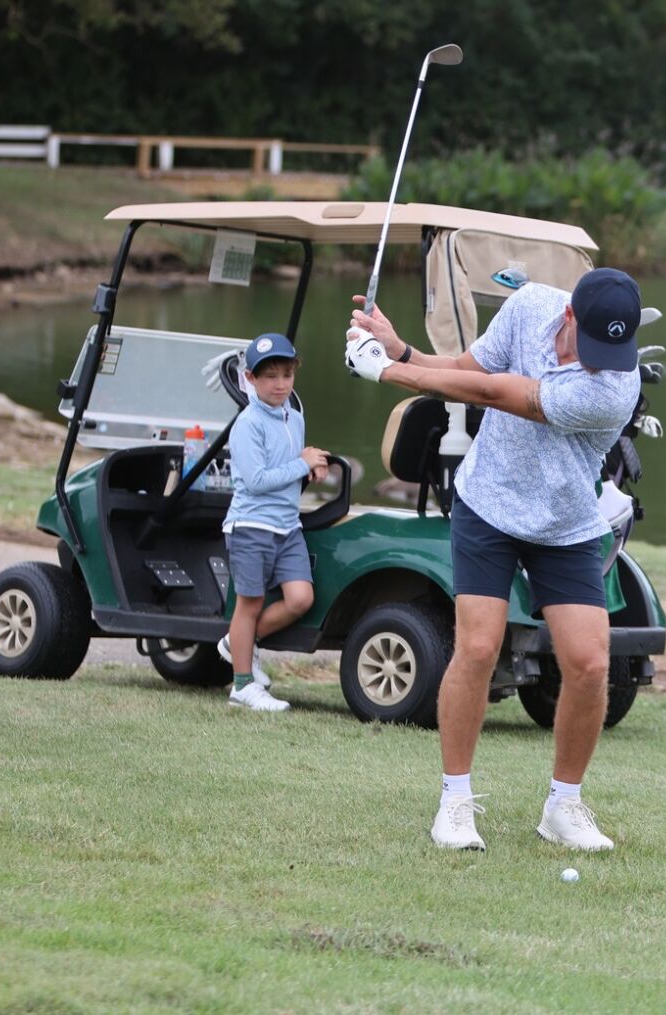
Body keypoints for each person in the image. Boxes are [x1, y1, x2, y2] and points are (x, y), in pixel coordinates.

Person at [345, 268, 643, 853]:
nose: (602, 360)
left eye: (615, 350)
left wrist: (387, 370)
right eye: (594, 346)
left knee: (587, 662)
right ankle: (455, 800)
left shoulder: (612, 386)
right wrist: (401, 348)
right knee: (478, 647)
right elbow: (470, 370)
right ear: (568, 318)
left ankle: (564, 804)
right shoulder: (531, 305)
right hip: (489, 505)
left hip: (565, 522)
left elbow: (493, 395)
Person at [218, 332, 330, 712]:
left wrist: (310, 469)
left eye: (287, 374)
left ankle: (238, 646)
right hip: (251, 526)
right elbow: (257, 480)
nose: (280, 384)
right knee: (249, 604)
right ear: (250, 379)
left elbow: (291, 464)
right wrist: (302, 463)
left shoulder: (293, 417)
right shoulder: (247, 424)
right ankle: (242, 685)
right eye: (270, 377)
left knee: (300, 598)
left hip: (287, 527)